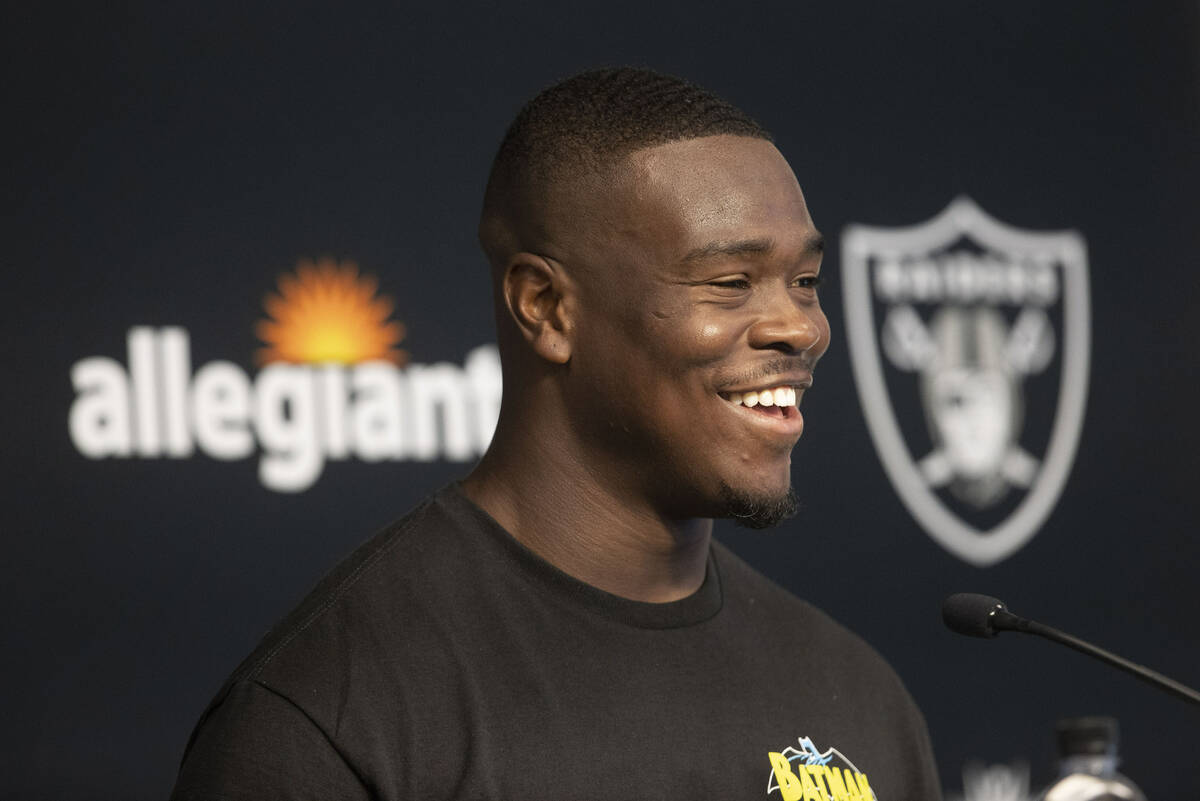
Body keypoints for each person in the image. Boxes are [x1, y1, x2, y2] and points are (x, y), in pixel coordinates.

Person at [171, 67, 942, 801]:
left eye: (804, 282)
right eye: (730, 282)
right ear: (546, 307)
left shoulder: (860, 699)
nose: (799, 327)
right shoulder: (329, 715)